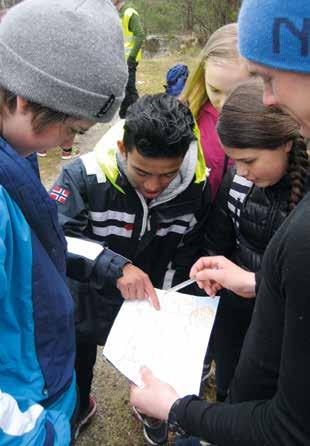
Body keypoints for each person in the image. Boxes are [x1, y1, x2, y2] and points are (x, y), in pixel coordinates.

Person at [130, 1, 310, 445]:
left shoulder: (302, 231)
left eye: (266, 78)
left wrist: (176, 409)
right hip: (240, 340)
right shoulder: (241, 179)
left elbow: (286, 426)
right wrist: (249, 279)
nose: (267, 97)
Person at [0, 0, 127, 444]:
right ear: (20, 98)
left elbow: (39, 245)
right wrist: (38, 434)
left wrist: (110, 265)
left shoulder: (17, 151)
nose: (69, 144)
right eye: (70, 128)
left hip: (41, 383)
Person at [51, 93, 210, 445]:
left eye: (167, 175)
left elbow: (187, 252)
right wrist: (115, 267)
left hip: (148, 304)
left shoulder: (197, 187)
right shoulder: (82, 175)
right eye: (142, 171)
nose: (153, 186)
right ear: (123, 147)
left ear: (184, 157)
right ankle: (78, 410)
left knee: (154, 360)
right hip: (87, 300)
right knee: (78, 363)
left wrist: (170, 303)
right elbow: (57, 238)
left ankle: (154, 411)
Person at [201, 78, 310, 404]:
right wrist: (210, 264)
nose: (241, 171)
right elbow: (217, 236)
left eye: (249, 160)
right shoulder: (236, 180)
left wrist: (255, 282)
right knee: (230, 385)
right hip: (234, 310)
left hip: (286, 321)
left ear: (286, 143)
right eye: (234, 161)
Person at [181, 23, 249, 201]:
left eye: (237, 93)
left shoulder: (276, 124)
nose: (225, 104)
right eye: (215, 90)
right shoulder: (187, 115)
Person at [112, 0, 145, 118]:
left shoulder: (129, 12)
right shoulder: (116, 13)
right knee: (124, 89)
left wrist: (131, 58)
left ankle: (139, 116)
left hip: (129, 60)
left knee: (130, 90)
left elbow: (140, 35)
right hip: (120, 59)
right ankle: (125, 114)